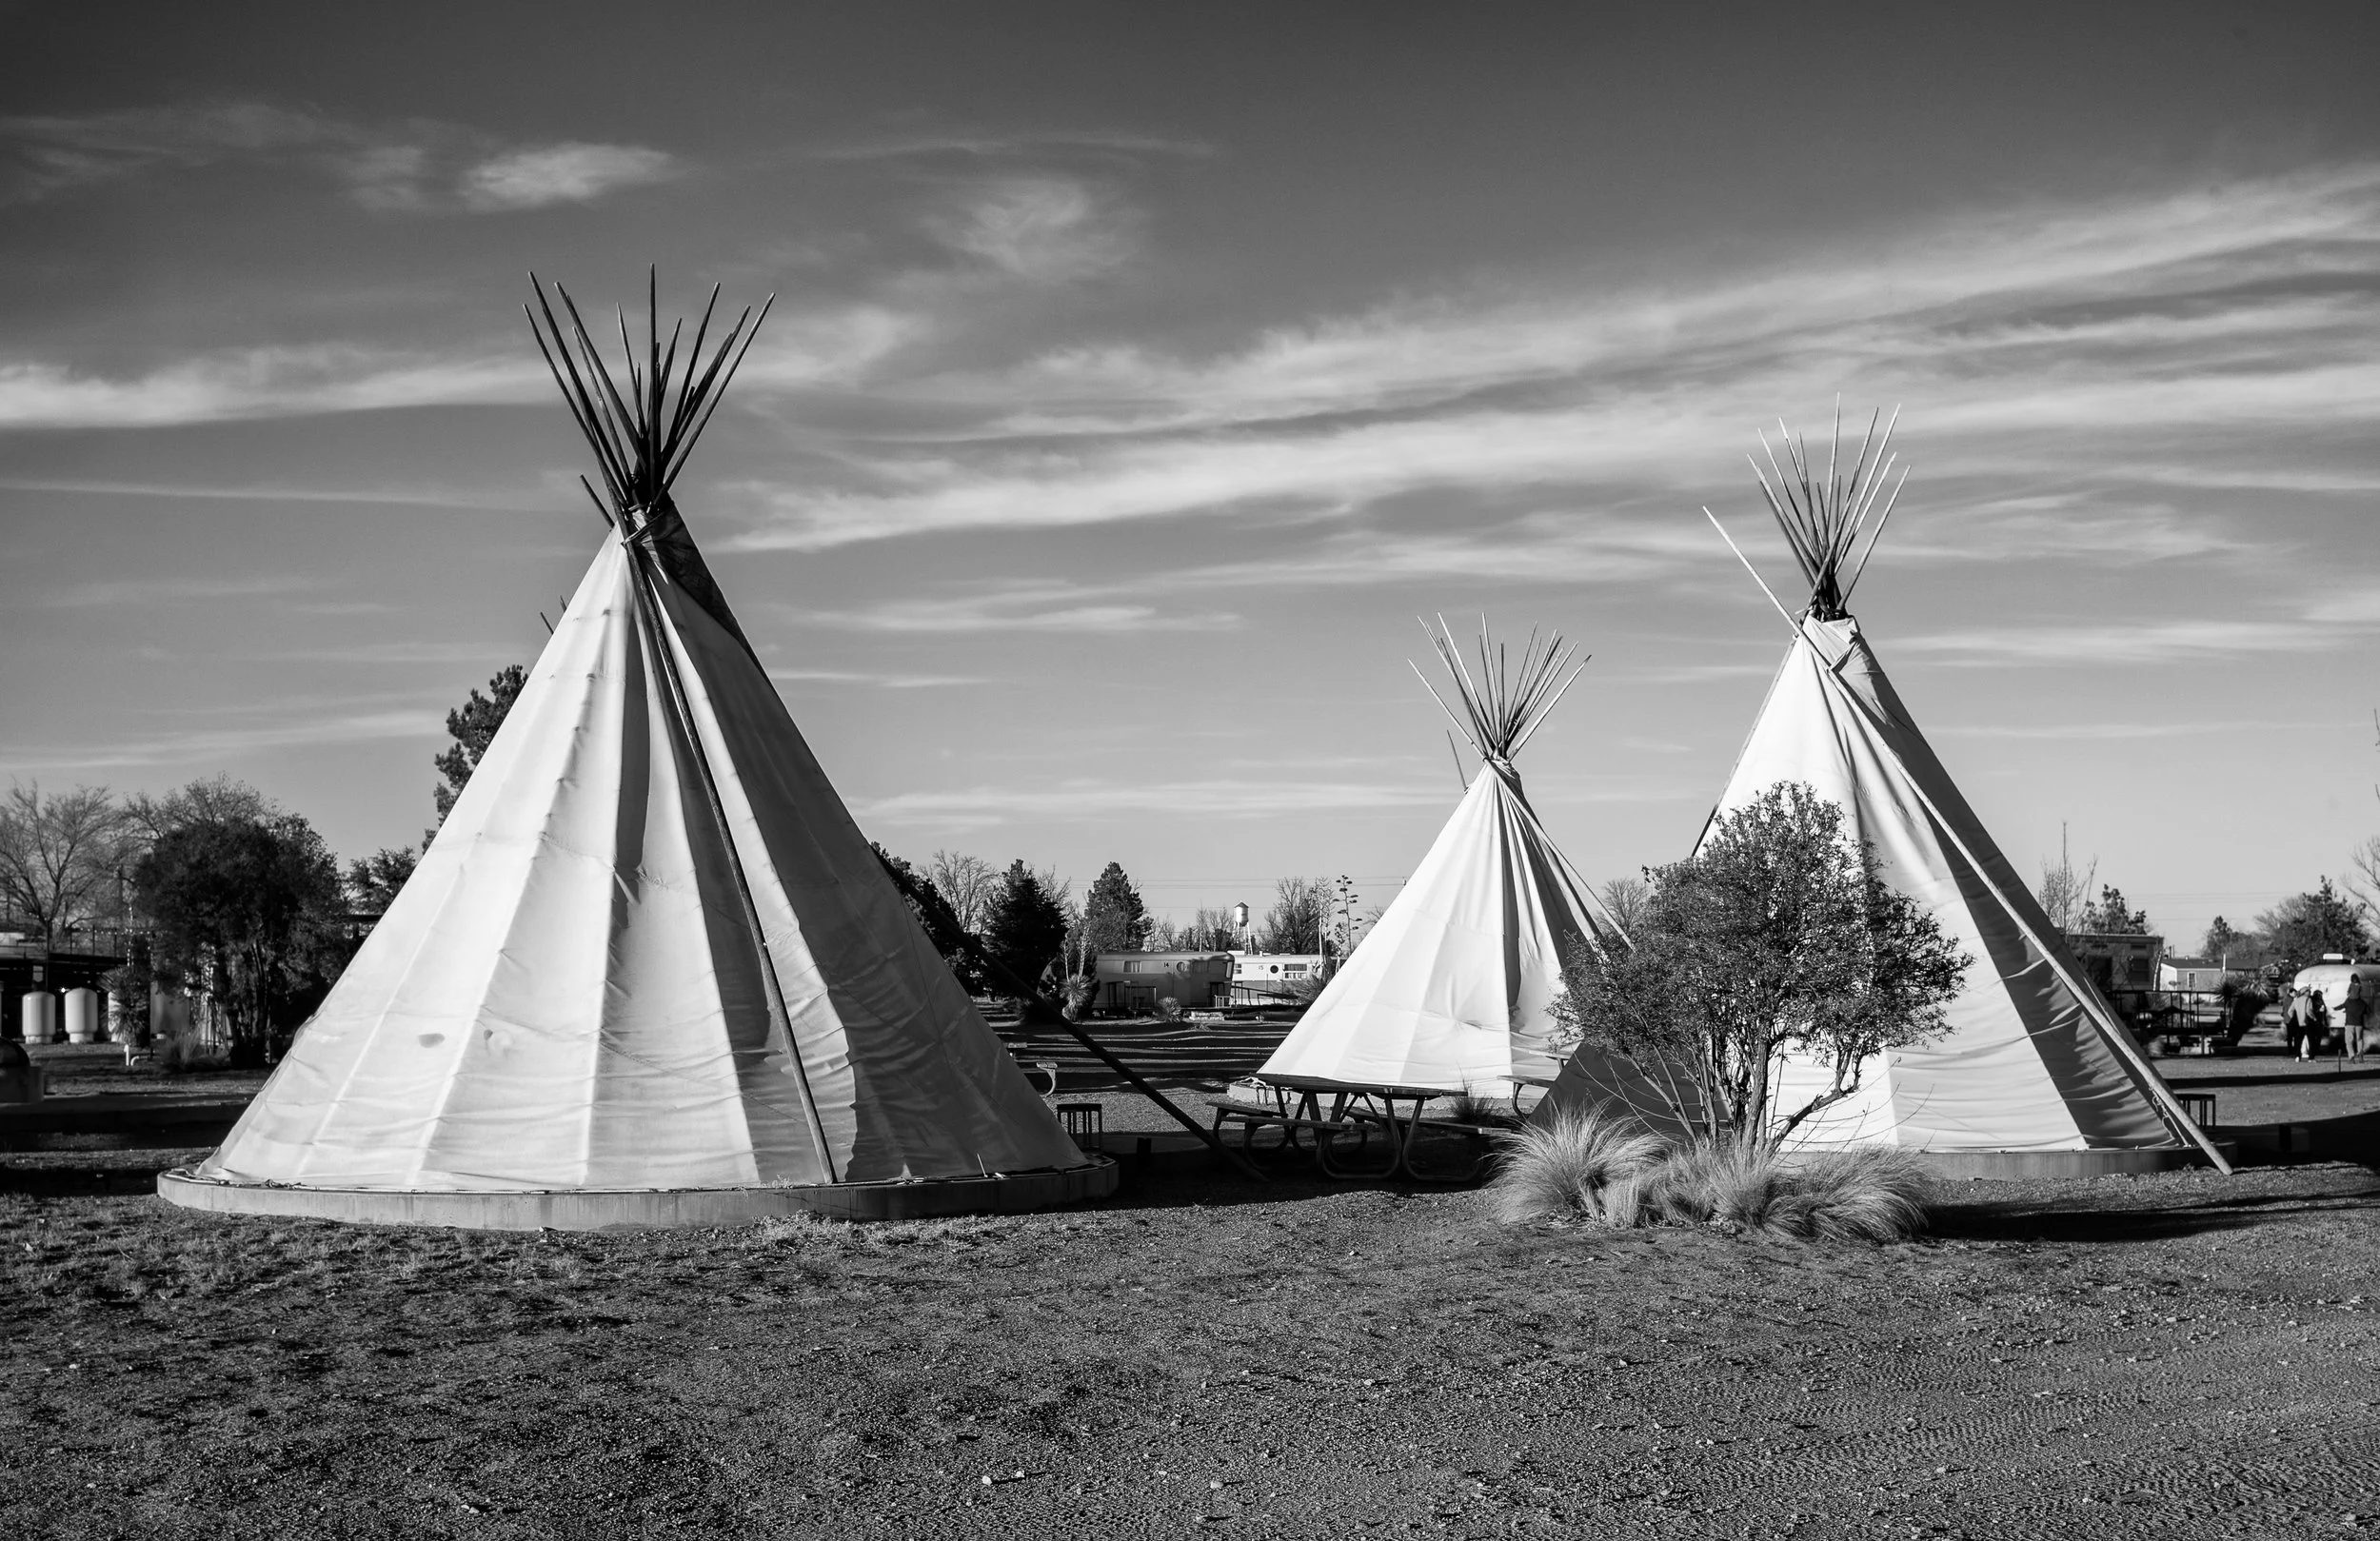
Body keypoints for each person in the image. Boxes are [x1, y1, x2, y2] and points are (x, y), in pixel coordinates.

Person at [2346, 978, 2370, 1061]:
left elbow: (2342, 1006)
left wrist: (2335, 1008)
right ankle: (2360, 1054)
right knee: (2359, 1039)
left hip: (2349, 1023)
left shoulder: (2348, 1001)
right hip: (2359, 1023)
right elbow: (2367, 1011)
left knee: (2349, 1040)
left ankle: (2351, 1056)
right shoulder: (2362, 1002)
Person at [2305, 989, 2330, 1062]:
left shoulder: (2321, 1001)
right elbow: (2310, 1010)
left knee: (2318, 1037)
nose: (2320, 996)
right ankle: (2312, 1052)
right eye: (2319, 994)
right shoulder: (2312, 1000)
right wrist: (2318, 1013)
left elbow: (2324, 1011)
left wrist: (2325, 1020)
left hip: (2320, 1021)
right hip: (2314, 1021)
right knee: (2314, 1038)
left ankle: (2316, 1050)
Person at [2286, 988, 2310, 1059]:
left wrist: (2294, 1018)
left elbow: (2289, 1011)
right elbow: (2309, 1011)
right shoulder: (2307, 1000)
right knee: (2305, 1038)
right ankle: (2304, 1052)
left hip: (2296, 1022)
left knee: (2297, 1039)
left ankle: (2297, 1055)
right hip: (2305, 1022)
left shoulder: (2295, 1001)